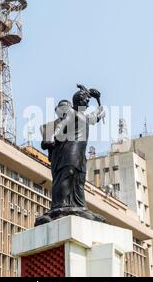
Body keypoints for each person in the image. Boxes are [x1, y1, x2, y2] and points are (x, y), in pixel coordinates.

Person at [37, 85, 106, 225]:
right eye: (86, 100)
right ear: (79, 101)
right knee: (68, 174)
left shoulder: (83, 117)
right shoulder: (72, 113)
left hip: (80, 154)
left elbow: (95, 116)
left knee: (79, 179)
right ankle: (60, 206)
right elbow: (61, 125)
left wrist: (98, 105)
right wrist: (53, 137)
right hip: (70, 151)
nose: (87, 103)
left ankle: (79, 206)